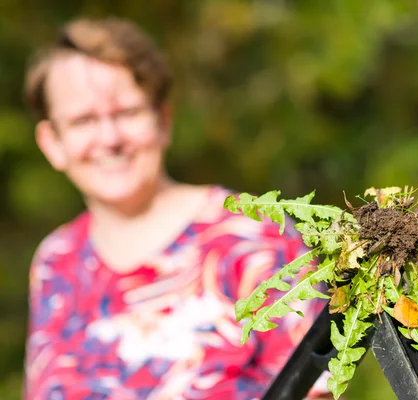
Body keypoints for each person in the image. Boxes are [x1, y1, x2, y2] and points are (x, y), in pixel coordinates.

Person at [23, 16, 332, 399]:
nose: (109, 137)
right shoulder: (56, 261)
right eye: (83, 120)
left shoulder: (251, 234)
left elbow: (316, 391)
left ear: (164, 120)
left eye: (127, 113)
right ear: (52, 142)